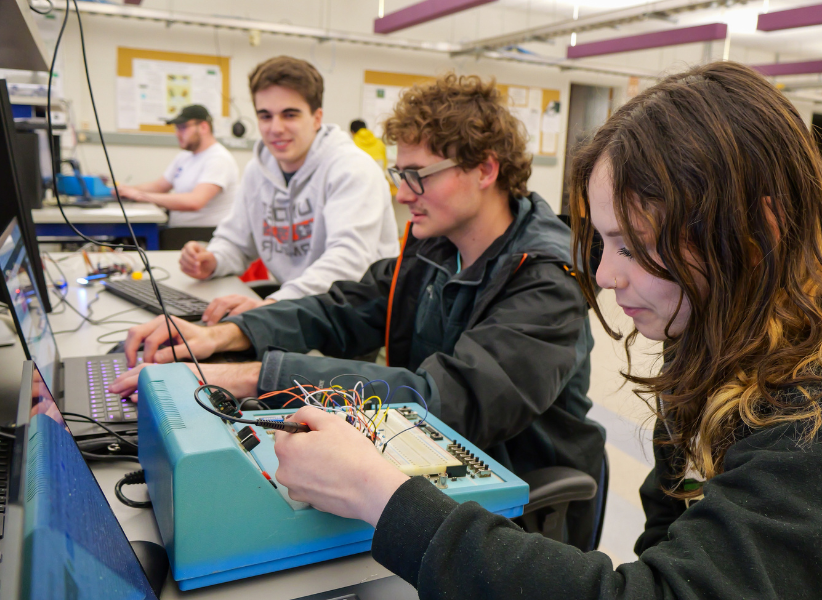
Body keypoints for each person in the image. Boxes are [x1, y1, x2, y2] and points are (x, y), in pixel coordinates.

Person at [267, 62, 822, 599]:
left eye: (632, 245)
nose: (604, 276)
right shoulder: (706, 357)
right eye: (605, 243)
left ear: (757, 230)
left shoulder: (804, 420)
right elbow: (667, 545)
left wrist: (378, 493)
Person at [111, 73, 606, 548]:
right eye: (399, 173)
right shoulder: (438, 244)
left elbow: (451, 398)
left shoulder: (546, 279)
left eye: (418, 176)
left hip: (514, 492)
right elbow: (343, 308)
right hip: (426, 458)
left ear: (485, 169)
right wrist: (225, 335)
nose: (402, 192)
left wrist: (259, 376)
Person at [178, 57, 399, 318]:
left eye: (290, 114)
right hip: (294, 304)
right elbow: (236, 242)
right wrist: (212, 260)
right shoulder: (257, 171)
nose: (276, 128)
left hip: (351, 314)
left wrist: (274, 304)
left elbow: (348, 262)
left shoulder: (352, 168)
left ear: (317, 118)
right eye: (265, 116)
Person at [113, 104, 239, 228]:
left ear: (203, 127)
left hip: (204, 236)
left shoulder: (219, 158)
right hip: (178, 231)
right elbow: (159, 186)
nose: (177, 134)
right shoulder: (185, 157)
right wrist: (126, 190)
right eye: (177, 128)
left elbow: (195, 202)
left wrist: (140, 196)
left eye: (183, 127)